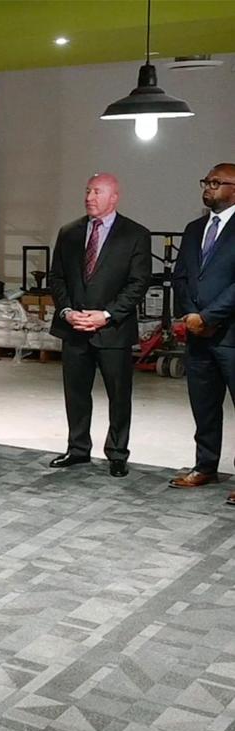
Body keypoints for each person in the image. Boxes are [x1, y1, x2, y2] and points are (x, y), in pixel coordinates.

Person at [48, 173, 151, 478]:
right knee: (76, 393)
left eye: (97, 192)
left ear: (114, 197)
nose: (89, 197)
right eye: (88, 191)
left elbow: (138, 283)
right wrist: (67, 311)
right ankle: (78, 449)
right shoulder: (69, 232)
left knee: (119, 395)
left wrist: (106, 314)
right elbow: (57, 277)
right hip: (74, 328)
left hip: (112, 330)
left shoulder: (135, 234)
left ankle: (117, 453)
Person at [170, 163, 235, 506]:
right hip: (198, 336)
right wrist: (191, 314)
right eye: (206, 182)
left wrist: (209, 316)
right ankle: (205, 465)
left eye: (215, 183)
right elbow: (181, 276)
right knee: (204, 406)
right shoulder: (195, 229)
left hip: (231, 335)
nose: (207, 188)